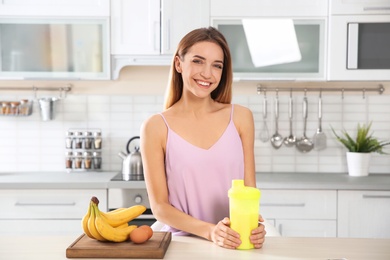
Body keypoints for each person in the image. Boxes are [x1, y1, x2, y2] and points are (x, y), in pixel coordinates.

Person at [140, 26, 266, 249]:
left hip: (234, 242)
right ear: (179, 64)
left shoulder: (241, 118)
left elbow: (248, 192)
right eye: (198, 61)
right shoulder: (156, 126)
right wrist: (210, 231)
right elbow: (160, 207)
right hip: (181, 245)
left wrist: (254, 225)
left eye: (217, 65)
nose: (207, 73)